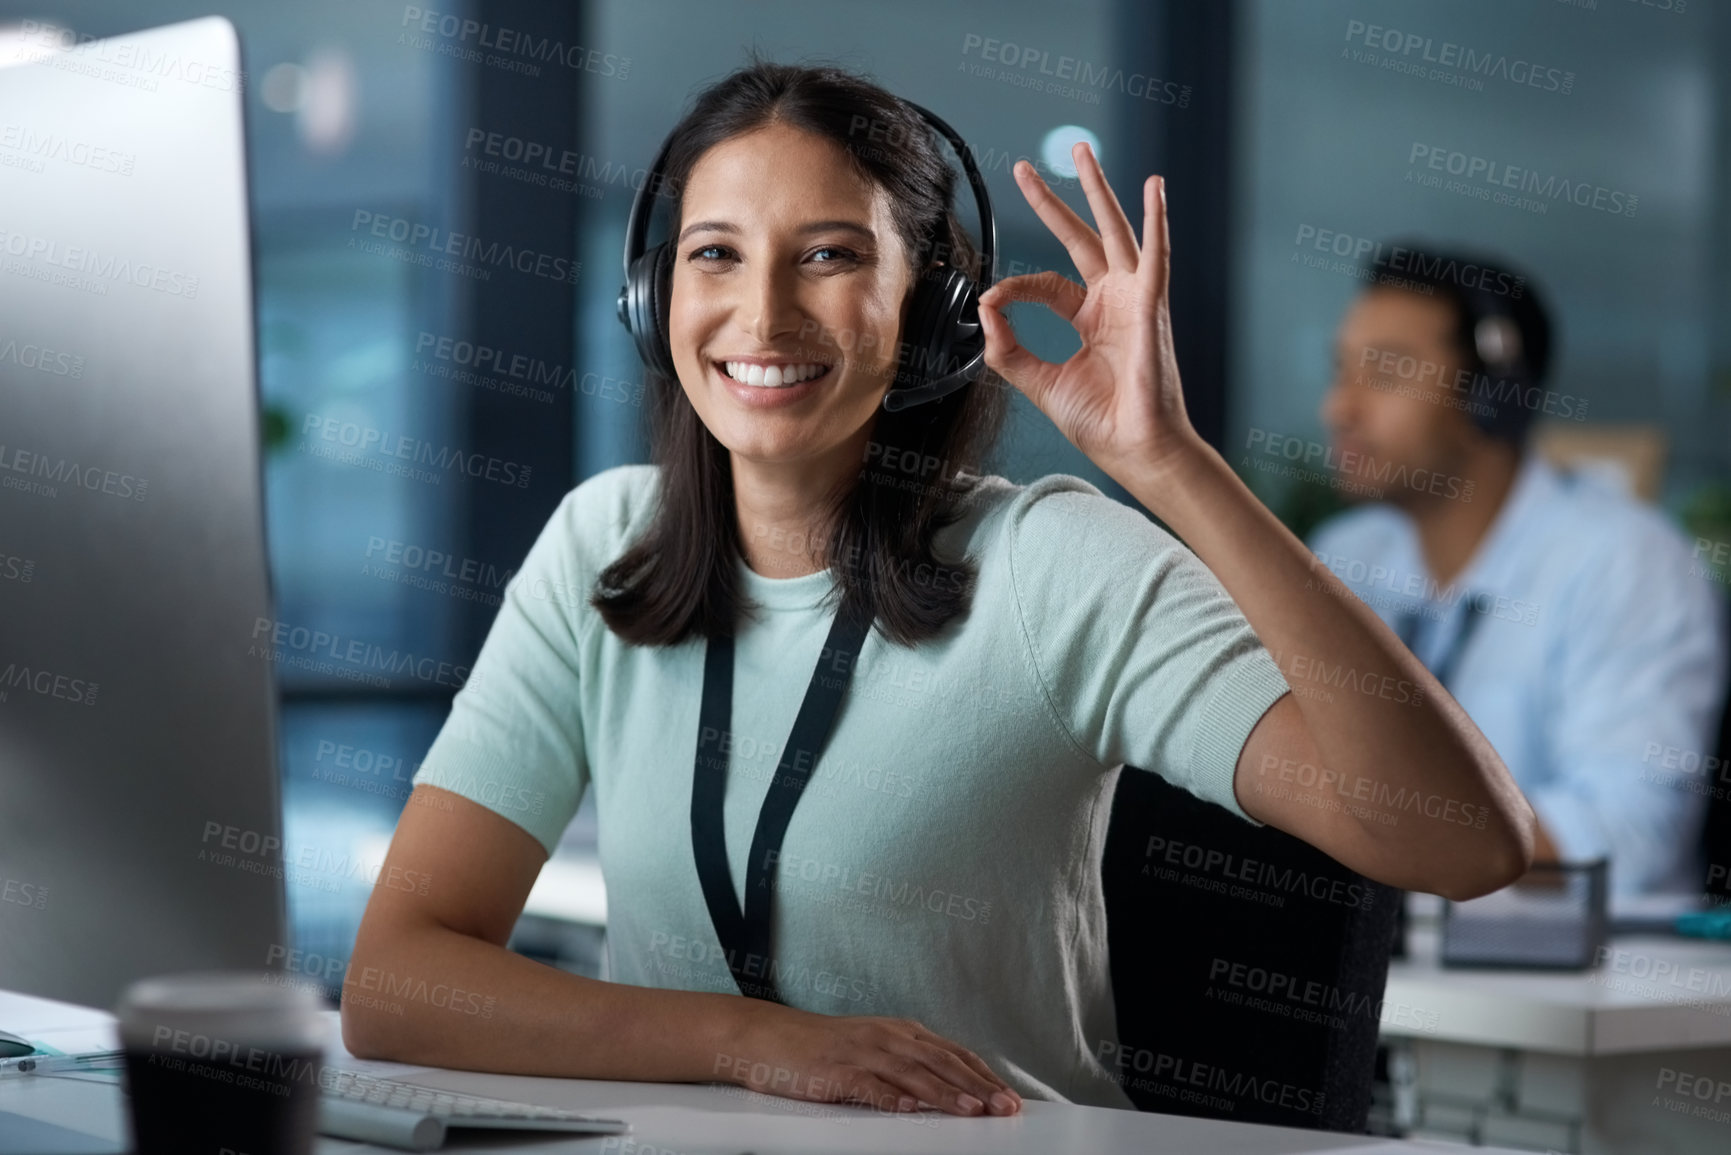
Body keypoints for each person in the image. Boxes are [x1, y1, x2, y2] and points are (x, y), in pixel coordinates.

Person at [343, 59, 1533, 1118]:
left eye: (830, 255)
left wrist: (1173, 468)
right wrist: (754, 1044)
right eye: (716, 254)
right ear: (656, 301)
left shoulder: (1054, 567)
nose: (761, 313)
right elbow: (396, 979)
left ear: (931, 314)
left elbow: (1465, 846)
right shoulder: (601, 544)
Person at [1308, 246, 1728, 897]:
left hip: (1579, 982)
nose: (1338, 408)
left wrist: (1404, 835)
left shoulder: (1626, 562)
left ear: (1490, 397)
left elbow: (1625, 833)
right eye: (1341, 370)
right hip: (1388, 971)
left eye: (1385, 372)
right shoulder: (1345, 554)